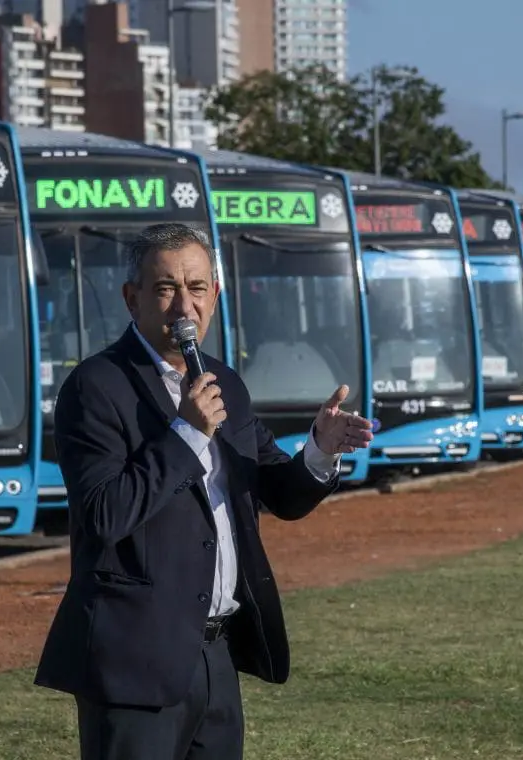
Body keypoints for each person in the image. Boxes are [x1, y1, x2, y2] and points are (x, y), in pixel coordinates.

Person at [34, 222, 374, 760]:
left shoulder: (225, 385)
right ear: (132, 298)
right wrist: (187, 434)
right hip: (134, 663)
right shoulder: (96, 387)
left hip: (215, 656)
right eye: (166, 288)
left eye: (197, 288)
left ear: (215, 296)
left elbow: (277, 493)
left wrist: (319, 450)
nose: (183, 306)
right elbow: (103, 513)